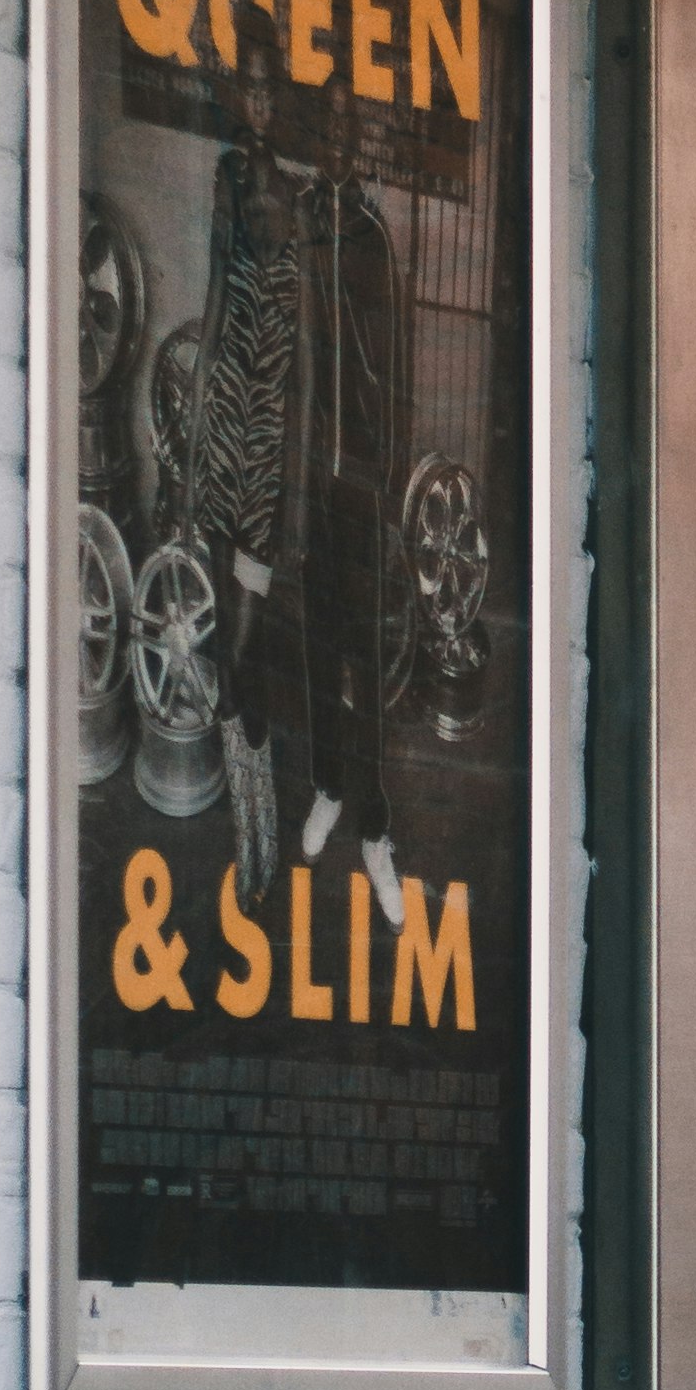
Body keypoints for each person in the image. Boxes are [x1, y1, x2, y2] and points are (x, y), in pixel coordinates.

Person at [182, 9, 301, 906]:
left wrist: (290, 454)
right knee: (229, 626)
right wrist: (193, 418)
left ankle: (255, 815)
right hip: (228, 416)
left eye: (269, 86)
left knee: (249, 635)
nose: (258, 100)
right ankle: (249, 836)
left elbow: (296, 338)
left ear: (280, 98)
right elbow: (220, 295)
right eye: (247, 85)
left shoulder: (293, 194)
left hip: (272, 432)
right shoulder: (228, 178)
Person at [297, 79, 406, 922]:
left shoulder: (372, 236)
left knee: (365, 665)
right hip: (311, 480)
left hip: (365, 487)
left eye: (350, 126)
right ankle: (329, 785)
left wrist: (391, 479)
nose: (338, 138)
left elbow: (396, 372)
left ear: (362, 143)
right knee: (316, 641)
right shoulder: (299, 221)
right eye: (328, 124)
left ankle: (375, 828)